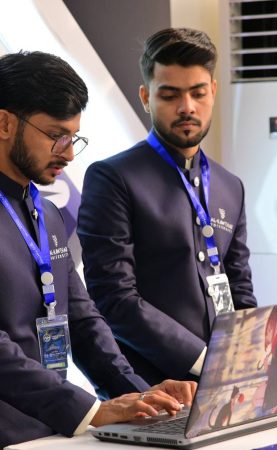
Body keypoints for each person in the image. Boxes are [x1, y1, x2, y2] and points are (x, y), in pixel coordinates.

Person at [0, 50, 196, 449]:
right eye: (55, 135)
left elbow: (83, 321)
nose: (68, 153)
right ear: (4, 123)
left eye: (73, 137)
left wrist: (139, 395)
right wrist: (90, 411)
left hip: (50, 432)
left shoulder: (47, 213)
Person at [77, 28, 257, 386]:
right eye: (170, 95)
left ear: (213, 92)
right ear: (146, 97)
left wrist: (252, 352)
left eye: (198, 93)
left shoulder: (230, 185)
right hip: (146, 389)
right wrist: (206, 361)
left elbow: (239, 285)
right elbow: (114, 297)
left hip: (226, 385)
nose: (187, 107)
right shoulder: (112, 178)